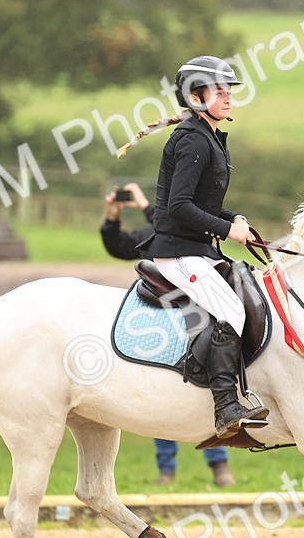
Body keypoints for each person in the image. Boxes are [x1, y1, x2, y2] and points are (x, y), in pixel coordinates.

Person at [134, 55, 270, 439]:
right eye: (219, 91)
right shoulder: (194, 139)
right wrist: (228, 230)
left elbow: (203, 204)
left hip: (196, 249)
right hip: (177, 251)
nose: (228, 98)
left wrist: (234, 218)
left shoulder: (208, 136)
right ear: (196, 97)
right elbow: (179, 206)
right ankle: (225, 406)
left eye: (230, 91)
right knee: (232, 310)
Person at [100, 181, 235, 487]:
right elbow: (119, 246)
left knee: (210, 373)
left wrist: (146, 205)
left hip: (196, 311)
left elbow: (170, 220)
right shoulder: (153, 233)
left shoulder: (185, 226)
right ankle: (168, 469)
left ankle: (218, 464)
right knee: (161, 387)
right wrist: (112, 217)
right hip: (161, 317)